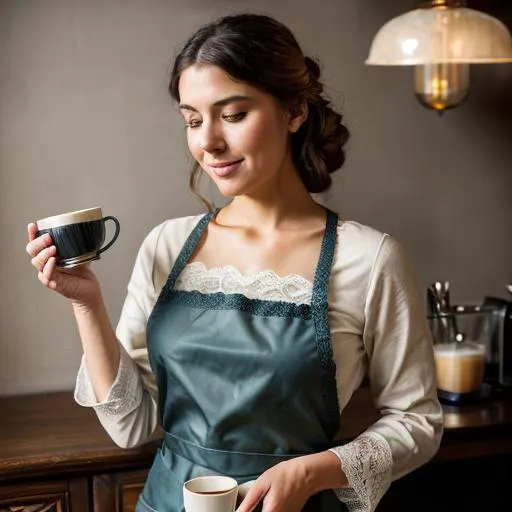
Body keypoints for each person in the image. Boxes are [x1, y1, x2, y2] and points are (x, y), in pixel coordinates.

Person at [26, 12, 443, 512]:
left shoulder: (369, 259)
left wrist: (315, 470)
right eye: (193, 120)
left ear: (294, 111)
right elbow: (130, 426)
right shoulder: (168, 245)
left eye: (234, 114)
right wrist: (87, 304)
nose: (208, 143)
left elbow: (417, 421)